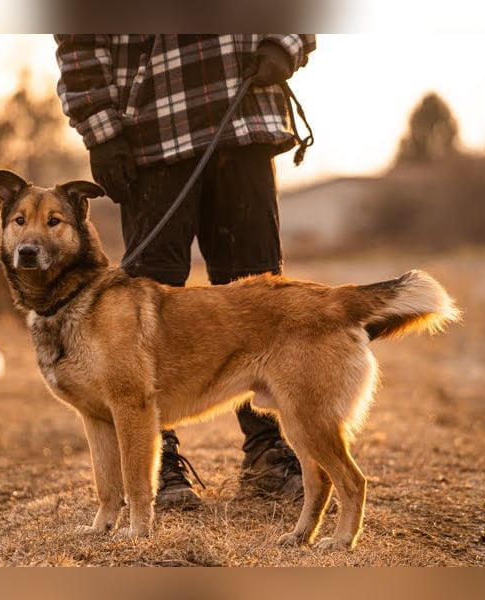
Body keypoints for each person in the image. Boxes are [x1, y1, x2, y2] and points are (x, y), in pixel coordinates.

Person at [54, 34, 316, 509]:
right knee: (144, 306)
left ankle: (270, 453)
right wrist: (101, 127)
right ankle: (160, 462)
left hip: (246, 115)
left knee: (259, 291)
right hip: (152, 127)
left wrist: (288, 39)